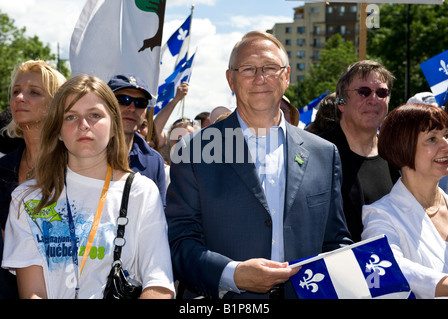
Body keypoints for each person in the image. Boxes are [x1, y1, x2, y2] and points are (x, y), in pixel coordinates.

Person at [165, 31, 352, 299]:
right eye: (248, 69)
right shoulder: (194, 152)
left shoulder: (324, 153)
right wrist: (233, 273)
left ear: (286, 76)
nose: (260, 78)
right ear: (231, 79)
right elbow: (179, 242)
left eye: (270, 68)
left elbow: (335, 240)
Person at [2, 75, 174, 299]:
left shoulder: (141, 192)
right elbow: (33, 292)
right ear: (58, 132)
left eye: (94, 115)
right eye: (71, 116)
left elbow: (159, 285)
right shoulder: (27, 198)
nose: (83, 125)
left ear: (114, 126)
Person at [361, 103, 448, 299]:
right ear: (402, 147)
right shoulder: (380, 215)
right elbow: (392, 267)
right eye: (433, 139)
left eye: (447, 136)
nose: (446, 146)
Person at [0, 60, 66, 299]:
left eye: (33, 92)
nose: (19, 98)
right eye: (16, 91)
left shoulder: (76, 169)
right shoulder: (3, 169)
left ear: (55, 105)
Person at [320, 60, 400, 242]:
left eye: (382, 93)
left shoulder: (396, 154)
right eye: (363, 92)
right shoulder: (318, 153)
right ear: (341, 102)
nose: (373, 99)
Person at [107, 74, 167, 207]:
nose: (132, 108)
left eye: (141, 103)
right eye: (123, 100)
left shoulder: (154, 161)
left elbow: (158, 214)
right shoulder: (84, 151)